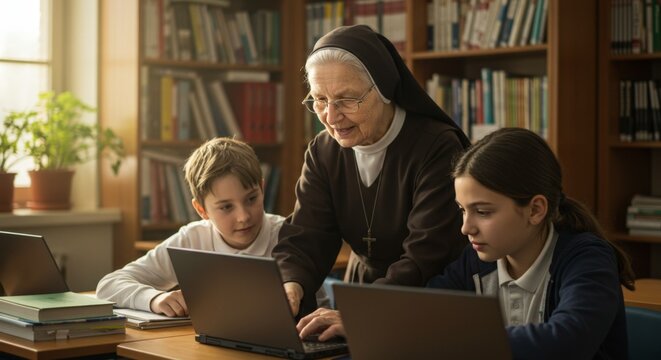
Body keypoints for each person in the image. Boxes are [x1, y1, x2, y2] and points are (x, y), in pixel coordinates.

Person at [296, 127, 635, 360]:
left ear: (535, 209)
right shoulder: (475, 263)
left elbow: (566, 343)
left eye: (483, 212)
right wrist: (368, 325)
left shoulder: (587, 260)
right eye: (462, 210)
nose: (465, 228)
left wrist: (437, 338)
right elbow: (421, 314)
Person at [272, 24, 471, 317]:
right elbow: (307, 235)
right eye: (320, 100)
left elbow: (427, 253)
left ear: (383, 89)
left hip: (429, 301)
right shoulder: (323, 150)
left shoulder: (436, 146)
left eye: (346, 99)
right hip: (361, 292)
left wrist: (362, 313)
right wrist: (291, 283)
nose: (330, 116)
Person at [96, 137, 328, 316]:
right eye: (226, 207)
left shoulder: (290, 237)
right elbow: (108, 285)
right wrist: (153, 299)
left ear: (262, 188)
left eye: (251, 199)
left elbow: (320, 312)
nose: (243, 217)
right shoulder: (192, 240)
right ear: (201, 210)